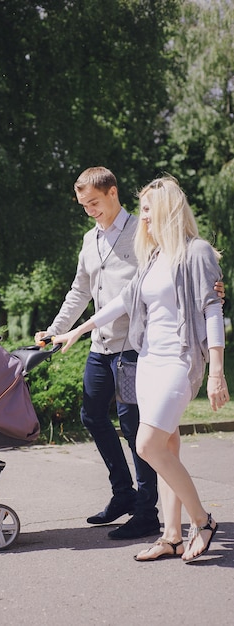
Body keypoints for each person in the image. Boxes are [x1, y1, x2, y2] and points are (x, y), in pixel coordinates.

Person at [35, 166, 224, 541]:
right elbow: (87, 292)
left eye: (93, 202)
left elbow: (195, 292)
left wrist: (213, 302)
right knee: (96, 416)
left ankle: (154, 513)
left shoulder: (149, 233)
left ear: (112, 193)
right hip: (111, 347)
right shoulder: (100, 241)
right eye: (82, 204)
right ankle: (135, 503)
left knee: (140, 431)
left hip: (139, 350)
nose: (88, 209)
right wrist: (63, 332)